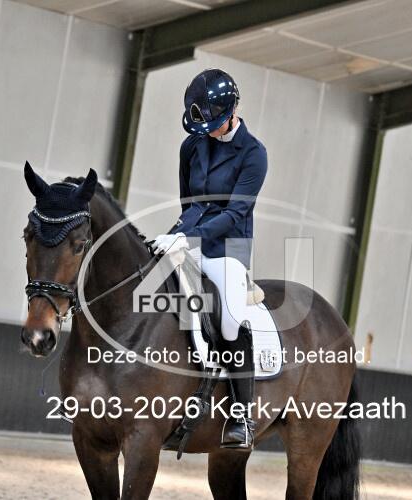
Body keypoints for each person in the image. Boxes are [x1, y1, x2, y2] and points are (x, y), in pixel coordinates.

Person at [150, 68, 268, 450]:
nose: (208, 134)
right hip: (189, 235)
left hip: (229, 246)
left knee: (230, 318)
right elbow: (189, 202)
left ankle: (242, 416)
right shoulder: (192, 145)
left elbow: (235, 213)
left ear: (232, 112)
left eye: (213, 126)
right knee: (148, 288)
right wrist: (176, 235)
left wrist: (189, 238)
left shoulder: (254, 154)